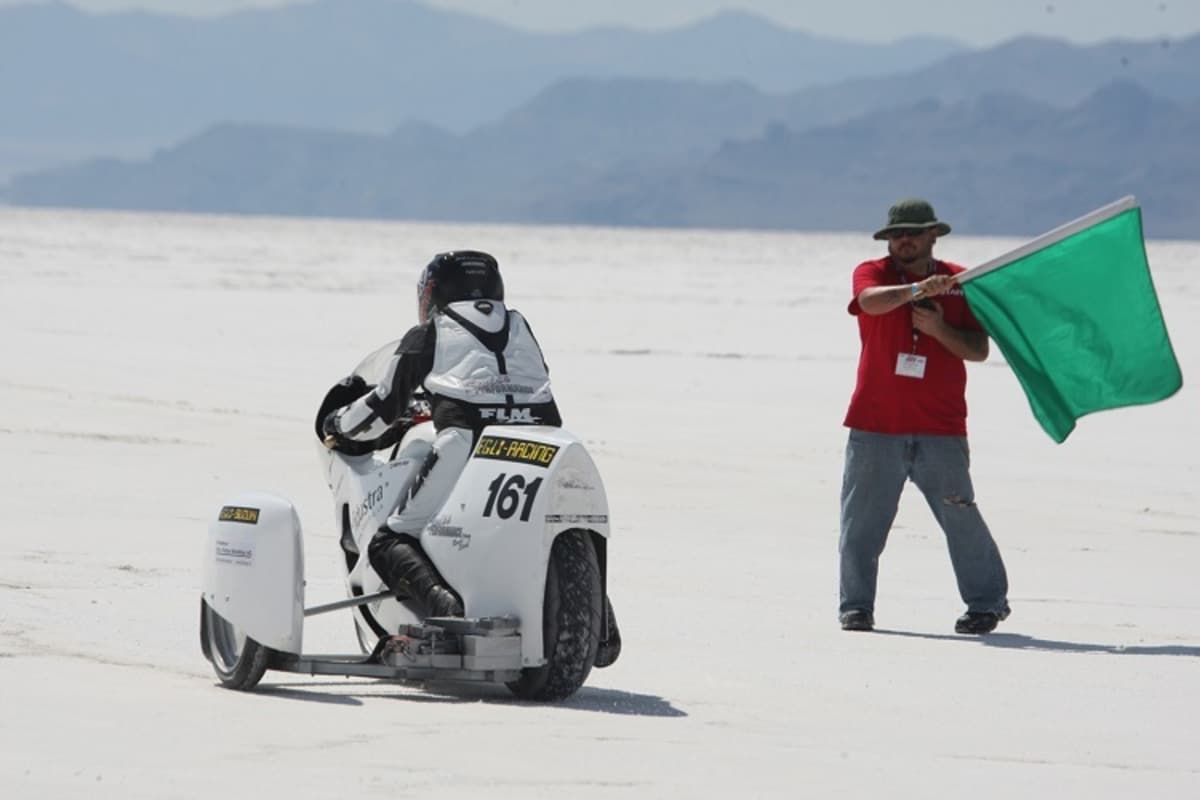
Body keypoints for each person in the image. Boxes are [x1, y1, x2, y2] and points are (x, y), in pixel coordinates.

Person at [320, 250, 620, 664]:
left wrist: (339, 426)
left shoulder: (432, 332)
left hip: (467, 444)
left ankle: (447, 615)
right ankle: (602, 618)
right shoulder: (521, 326)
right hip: (541, 442)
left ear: (432, 293)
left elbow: (385, 404)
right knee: (549, 527)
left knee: (391, 539)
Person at [838, 199, 1010, 635]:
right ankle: (856, 606)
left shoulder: (960, 282)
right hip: (876, 425)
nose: (905, 240)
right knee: (862, 525)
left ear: (934, 234)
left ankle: (987, 604)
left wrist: (938, 329)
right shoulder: (874, 272)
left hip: (941, 428)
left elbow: (978, 350)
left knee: (961, 518)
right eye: (897, 234)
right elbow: (868, 302)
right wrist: (916, 291)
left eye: (914, 232)